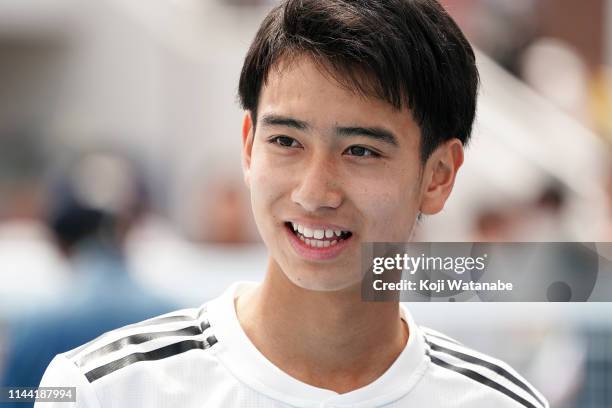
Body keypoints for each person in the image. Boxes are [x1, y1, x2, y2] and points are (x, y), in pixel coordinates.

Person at [37, 1, 549, 407]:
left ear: (438, 176)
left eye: (361, 151)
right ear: (247, 144)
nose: (313, 192)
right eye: (285, 141)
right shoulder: (102, 392)